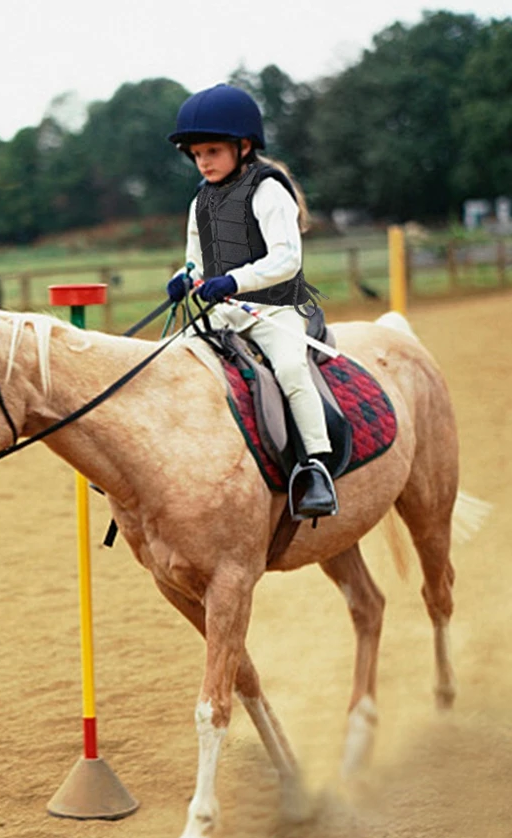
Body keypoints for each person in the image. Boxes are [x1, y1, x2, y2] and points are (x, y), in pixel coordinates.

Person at [165, 83, 337, 519]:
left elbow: (286, 258)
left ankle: (315, 466)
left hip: (274, 310)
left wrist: (233, 280)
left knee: (291, 369)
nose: (203, 161)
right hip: (222, 314)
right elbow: (195, 260)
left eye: (212, 152)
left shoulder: (269, 191)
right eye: (197, 153)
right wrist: (183, 279)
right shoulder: (199, 201)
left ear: (242, 147)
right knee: (167, 361)